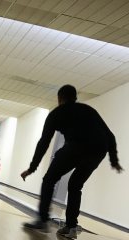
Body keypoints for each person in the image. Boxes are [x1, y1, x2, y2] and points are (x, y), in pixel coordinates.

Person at [21, 85, 123, 238]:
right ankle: (71, 227)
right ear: (75, 97)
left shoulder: (56, 113)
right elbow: (111, 136)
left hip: (77, 146)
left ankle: (42, 220)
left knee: (49, 179)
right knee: (75, 185)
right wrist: (114, 161)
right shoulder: (89, 110)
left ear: (59, 98)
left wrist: (32, 168)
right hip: (98, 150)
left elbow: (44, 142)